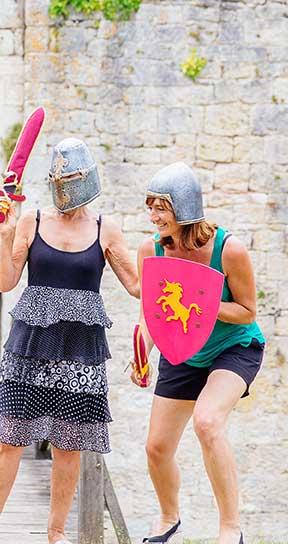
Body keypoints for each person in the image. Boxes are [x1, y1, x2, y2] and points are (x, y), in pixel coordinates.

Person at [0, 138, 139, 544]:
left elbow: (137, 285)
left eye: (73, 177)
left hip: (80, 347)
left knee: (69, 444)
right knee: (9, 438)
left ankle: (55, 535)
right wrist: (7, 233)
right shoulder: (30, 220)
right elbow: (5, 281)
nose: (67, 185)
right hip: (31, 341)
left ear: (87, 179)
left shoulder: (106, 228)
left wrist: (171, 253)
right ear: (52, 180)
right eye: (61, 177)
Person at [132, 162, 265, 544]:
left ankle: (230, 528)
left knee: (207, 422)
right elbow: (152, 313)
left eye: (162, 208)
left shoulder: (229, 249)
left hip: (233, 347)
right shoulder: (151, 250)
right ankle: (169, 516)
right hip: (181, 348)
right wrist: (141, 354)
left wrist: (202, 303)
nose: (154, 216)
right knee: (156, 447)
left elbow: (247, 312)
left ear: (185, 208)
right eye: (151, 207)